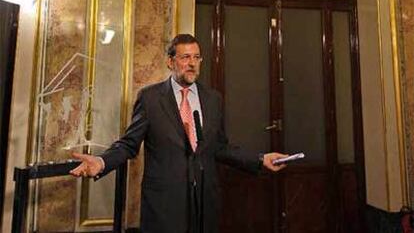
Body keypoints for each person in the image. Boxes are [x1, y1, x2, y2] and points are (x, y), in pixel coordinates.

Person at [70, 34, 287, 233]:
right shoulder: (150, 99)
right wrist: (101, 162)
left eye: (196, 57)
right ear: (170, 61)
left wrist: (260, 160)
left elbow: (219, 147)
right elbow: (129, 144)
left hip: (204, 205)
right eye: (185, 57)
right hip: (164, 205)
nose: (192, 63)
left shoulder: (213, 99)